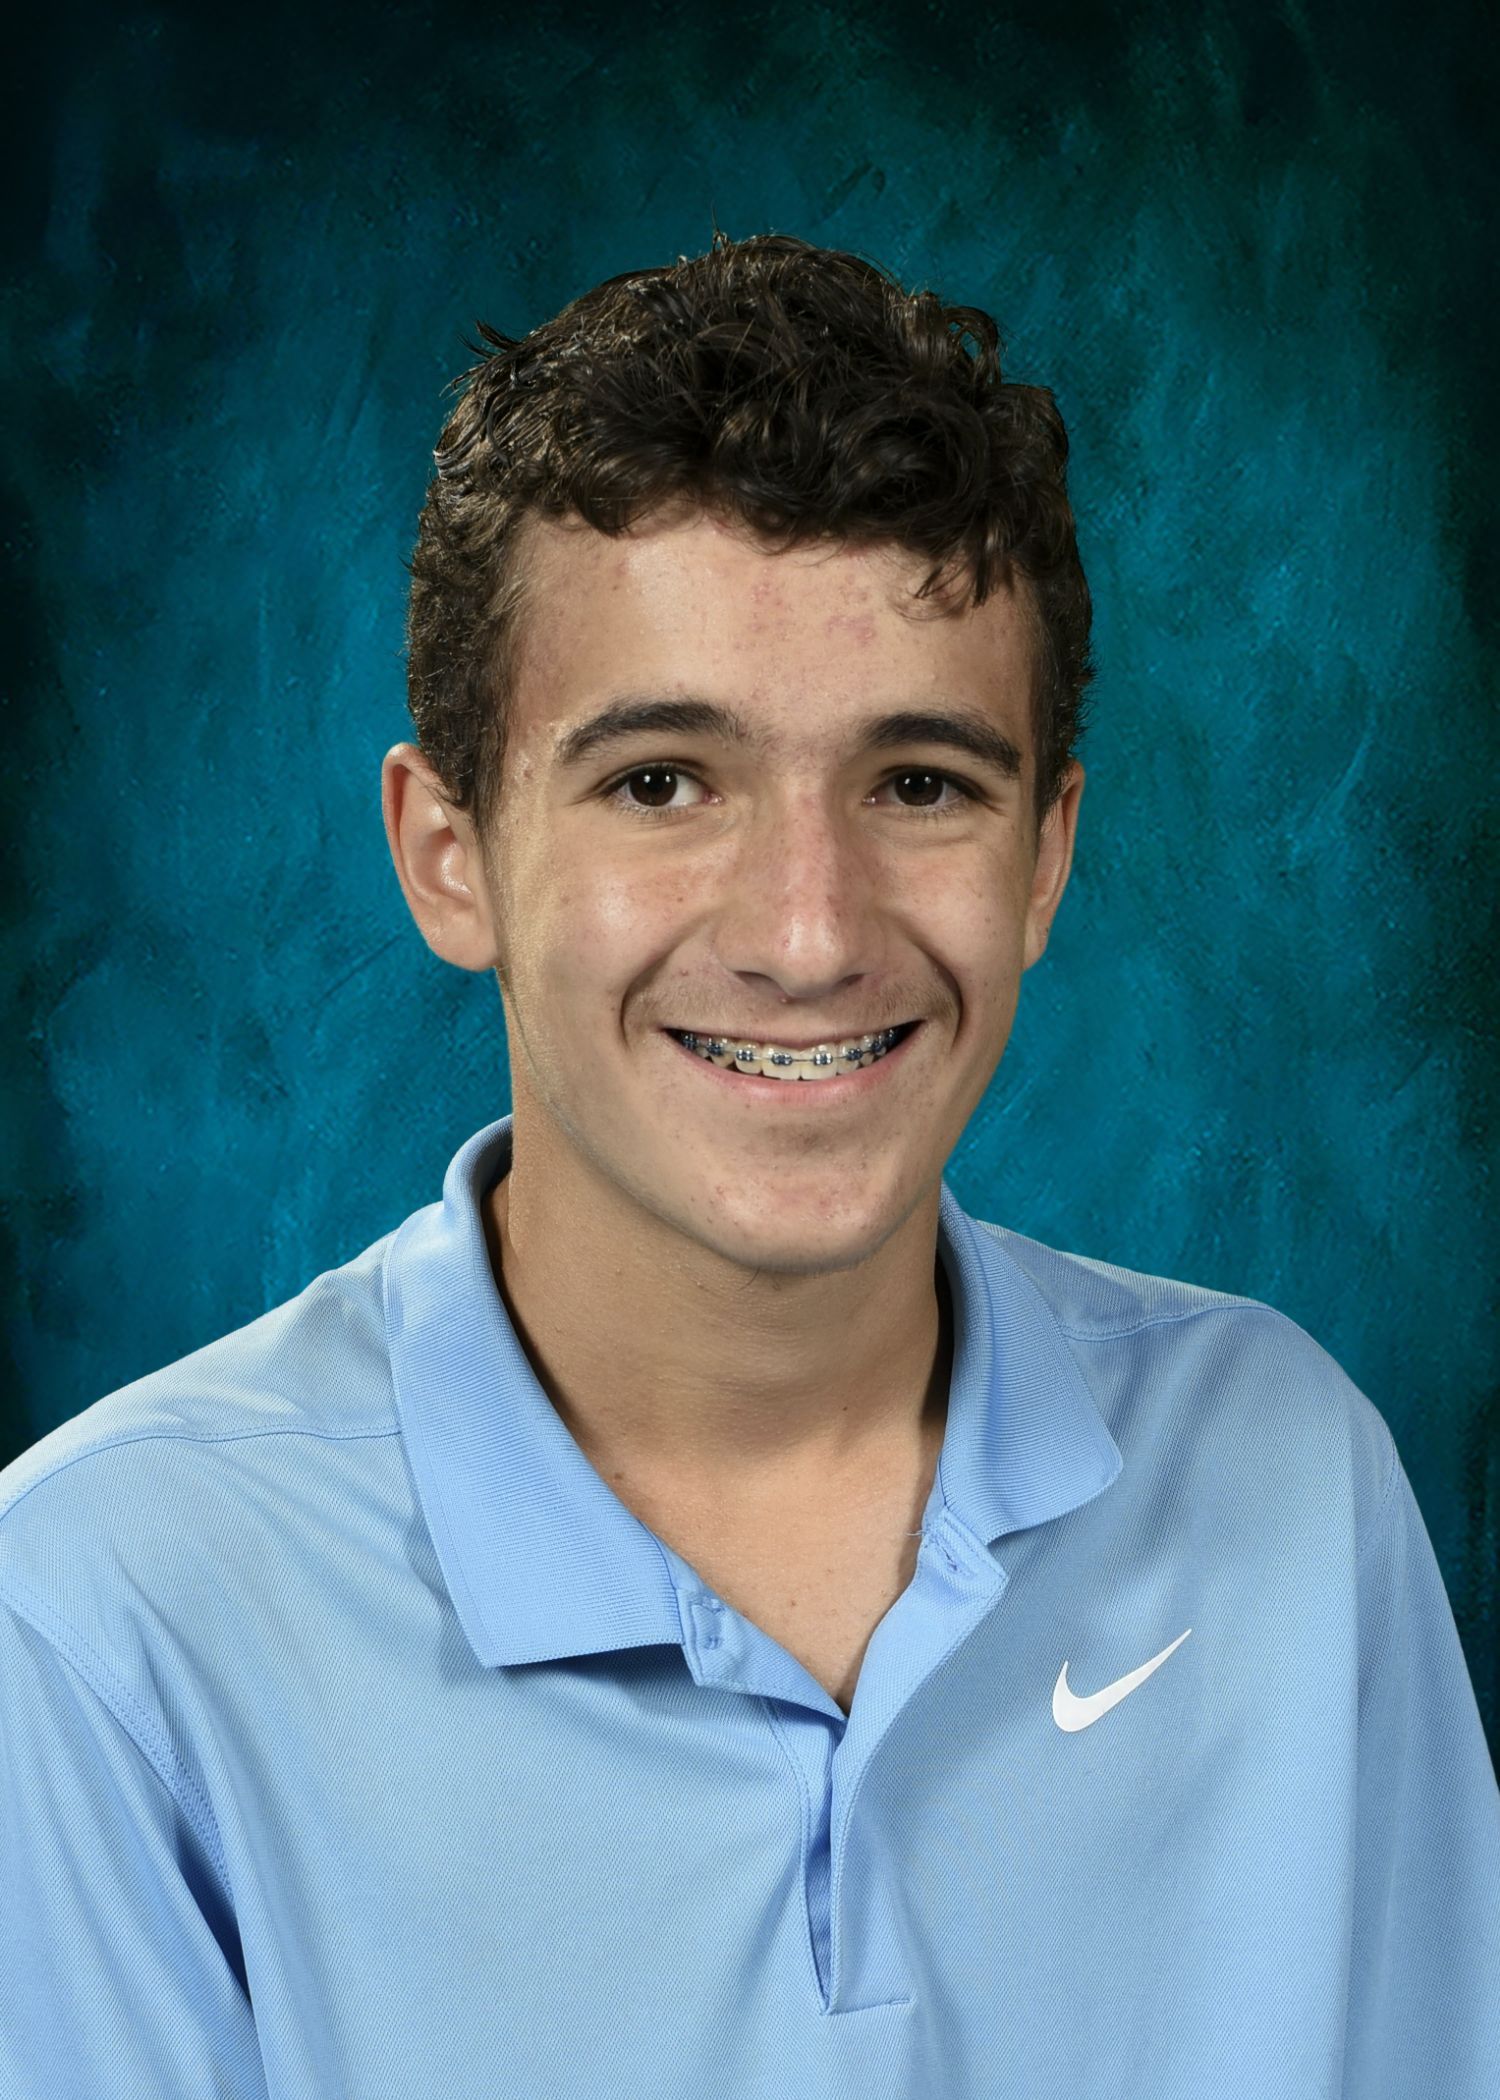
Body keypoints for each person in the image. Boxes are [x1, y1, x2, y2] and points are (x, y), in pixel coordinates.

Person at [2, 230, 1495, 2098]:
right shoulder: (99, 1621)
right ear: (446, 849)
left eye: (921, 784)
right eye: (660, 782)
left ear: (1046, 859)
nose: (808, 932)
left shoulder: (1290, 1483)